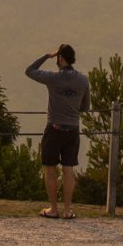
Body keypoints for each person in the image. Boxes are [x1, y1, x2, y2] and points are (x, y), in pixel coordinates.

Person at [26, 43, 90, 219]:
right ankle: (67, 210)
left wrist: (47, 55)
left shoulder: (52, 78)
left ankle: (53, 209)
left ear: (60, 58)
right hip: (73, 129)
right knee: (68, 169)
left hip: (54, 128)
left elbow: (29, 71)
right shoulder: (83, 80)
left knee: (50, 168)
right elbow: (85, 106)